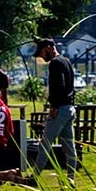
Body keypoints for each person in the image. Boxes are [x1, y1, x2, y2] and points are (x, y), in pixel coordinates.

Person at [39, 36, 77, 171]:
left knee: (45, 143)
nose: (42, 57)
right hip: (70, 108)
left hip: (60, 109)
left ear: (48, 48)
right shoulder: (66, 61)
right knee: (69, 147)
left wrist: (54, 106)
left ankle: (35, 175)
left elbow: (58, 85)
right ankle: (71, 177)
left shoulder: (54, 63)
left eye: (42, 53)